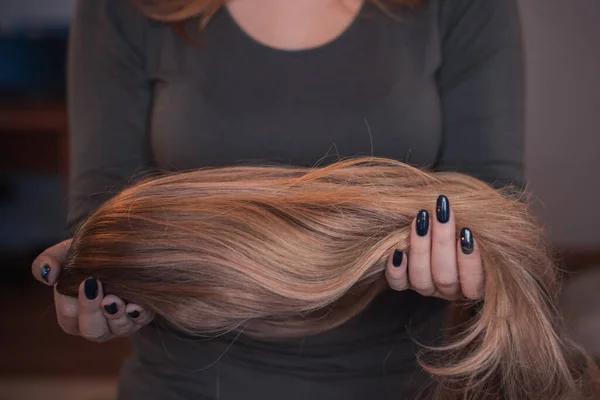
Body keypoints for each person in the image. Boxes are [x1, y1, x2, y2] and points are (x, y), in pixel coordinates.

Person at [31, 0, 524, 398]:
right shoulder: (124, 9)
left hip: (406, 382)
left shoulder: (465, 8)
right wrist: (99, 267)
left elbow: (497, 211)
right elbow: (102, 203)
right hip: (186, 383)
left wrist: (475, 264)